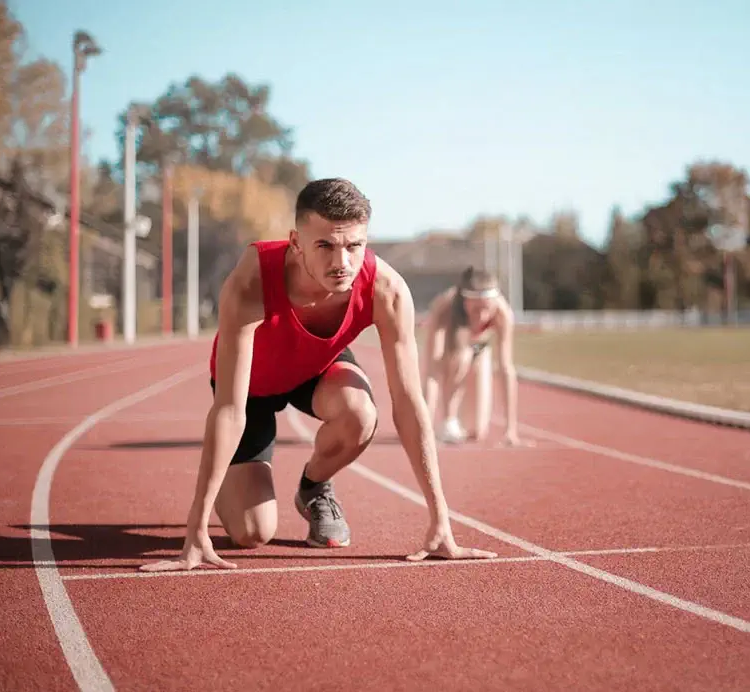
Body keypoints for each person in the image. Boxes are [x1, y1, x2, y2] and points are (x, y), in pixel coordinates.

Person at [141, 178, 497, 572]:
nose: (341, 262)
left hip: (316, 369)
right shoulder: (252, 280)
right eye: (325, 245)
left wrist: (440, 520)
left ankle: (313, 487)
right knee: (251, 533)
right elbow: (229, 408)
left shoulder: (387, 290)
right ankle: (230, 483)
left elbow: (410, 404)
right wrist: (195, 530)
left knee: (361, 414)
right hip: (252, 388)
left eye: (353, 246)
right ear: (296, 242)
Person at [421, 267, 528, 446]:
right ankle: (449, 420)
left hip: (481, 348)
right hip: (453, 348)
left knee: (476, 431)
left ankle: (460, 423)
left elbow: (506, 368)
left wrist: (511, 430)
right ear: (464, 302)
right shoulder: (444, 308)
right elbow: (432, 371)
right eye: (476, 309)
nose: (482, 315)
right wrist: (424, 427)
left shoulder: (502, 314)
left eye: (487, 308)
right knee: (462, 358)